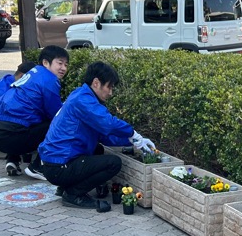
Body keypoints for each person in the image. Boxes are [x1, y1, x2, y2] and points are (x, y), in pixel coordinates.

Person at [39, 60, 156, 210]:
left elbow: (103, 136)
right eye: (109, 87)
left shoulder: (81, 95)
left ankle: (65, 186)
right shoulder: (83, 101)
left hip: (56, 163)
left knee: (98, 150)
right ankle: (73, 194)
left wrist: (130, 141)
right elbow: (108, 122)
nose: (111, 92)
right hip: (59, 165)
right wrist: (133, 134)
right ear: (96, 83)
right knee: (113, 163)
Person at [0, 45, 68, 179]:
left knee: (24, 120)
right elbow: (55, 114)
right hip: (13, 137)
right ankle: (37, 167)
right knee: (57, 125)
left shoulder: (33, 74)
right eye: (59, 63)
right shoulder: (49, 79)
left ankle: (12, 160)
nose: (64, 68)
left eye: (66, 64)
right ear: (45, 63)